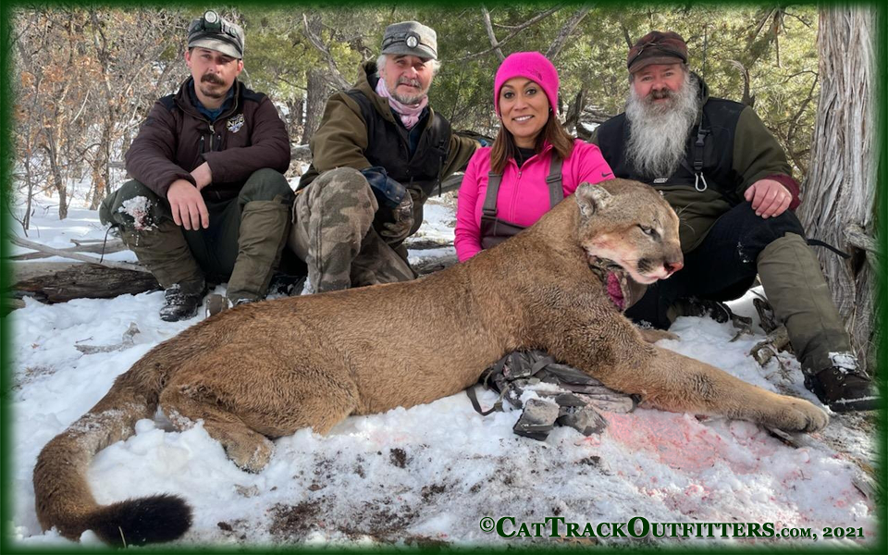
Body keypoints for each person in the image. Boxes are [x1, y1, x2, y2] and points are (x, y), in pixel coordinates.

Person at [591, 31, 877, 412]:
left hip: (715, 254)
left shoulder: (731, 119)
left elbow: (773, 172)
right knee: (633, 306)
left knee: (771, 220)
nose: (658, 86)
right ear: (633, 85)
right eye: (646, 77)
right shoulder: (609, 136)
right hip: (643, 265)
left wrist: (775, 186)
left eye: (668, 73)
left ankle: (831, 363)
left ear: (686, 76)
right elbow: (585, 199)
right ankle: (685, 305)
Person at [100, 10, 293, 321]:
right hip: (184, 236)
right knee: (132, 196)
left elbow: (276, 152)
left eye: (224, 59)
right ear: (188, 57)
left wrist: (209, 170)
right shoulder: (168, 110)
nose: (213, 67)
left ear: (238, 66)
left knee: (270, 182)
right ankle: (183, 284)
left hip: (241, 233)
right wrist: (175, 182)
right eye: (205, 56)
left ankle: (244, 296)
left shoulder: (257, 107)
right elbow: (141, 153)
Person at [289, 21, 480, 293]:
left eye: (420, 64)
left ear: (431, 73)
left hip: (372, 240)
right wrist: (395, 195)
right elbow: (335, 152)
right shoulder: (351, 105)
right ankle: (324, 301)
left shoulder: (437, 132)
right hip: (316, 224)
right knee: (348, 183)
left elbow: (479, 153)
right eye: (400, 61)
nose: (410, 72)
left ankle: (345, 287)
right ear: (382, 67)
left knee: (410, 303)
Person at [455, 51, 613, 261]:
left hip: (559, 287)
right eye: (509, 95)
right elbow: (465, 234)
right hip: (488, 286)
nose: (519, 104)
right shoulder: (481, 161)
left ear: (549, 101)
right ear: (499, 108)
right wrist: (485, 282)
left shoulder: (583, 159)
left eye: (531, 91)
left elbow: (610, 228)